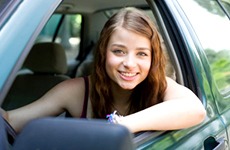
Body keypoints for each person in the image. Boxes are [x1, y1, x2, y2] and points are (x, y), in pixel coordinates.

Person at [1, 7, 206, 134]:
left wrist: (121, 126)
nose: (129, 63)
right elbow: (10, 121)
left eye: (142, 54)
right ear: (103, 52)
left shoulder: (160, 86)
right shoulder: (76, 90)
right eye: (119, 51)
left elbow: (196, 110)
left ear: (153, 59)